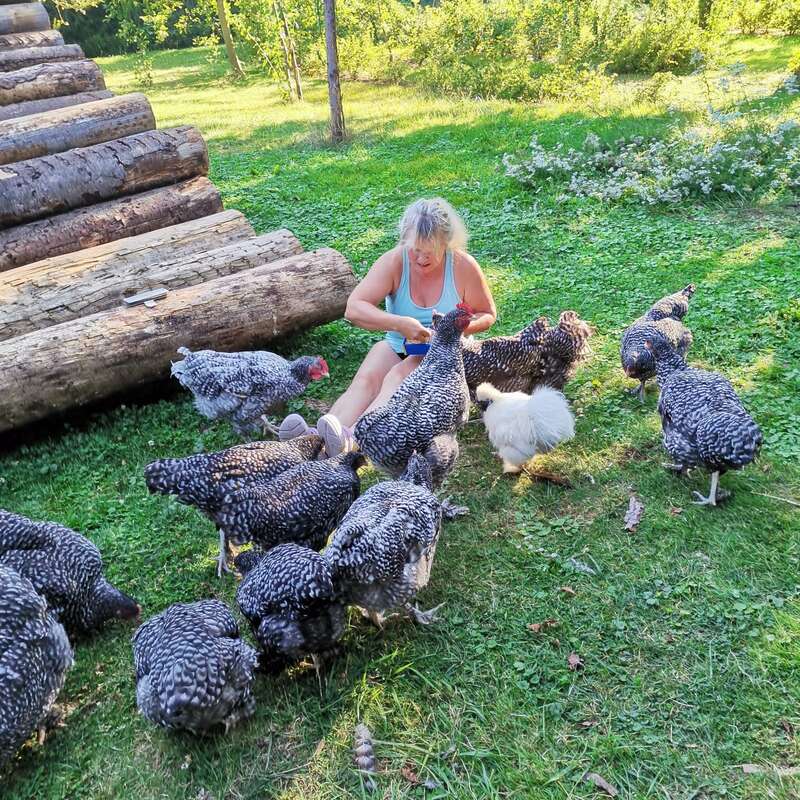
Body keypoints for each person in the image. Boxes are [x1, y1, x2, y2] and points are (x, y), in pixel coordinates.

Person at [279, 197, 497, 455]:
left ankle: (352, 439)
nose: (420, 258)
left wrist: (449, 330)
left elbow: (487, 313)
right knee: (366, 379)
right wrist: (399, 324)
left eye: (430, 251)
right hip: (400, 343)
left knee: (398, 375)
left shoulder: (463, 266)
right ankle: (314, 441)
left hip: (444, 358)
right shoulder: (395, 261)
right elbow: (354, 308)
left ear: (446, 243)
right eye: (415, 249)